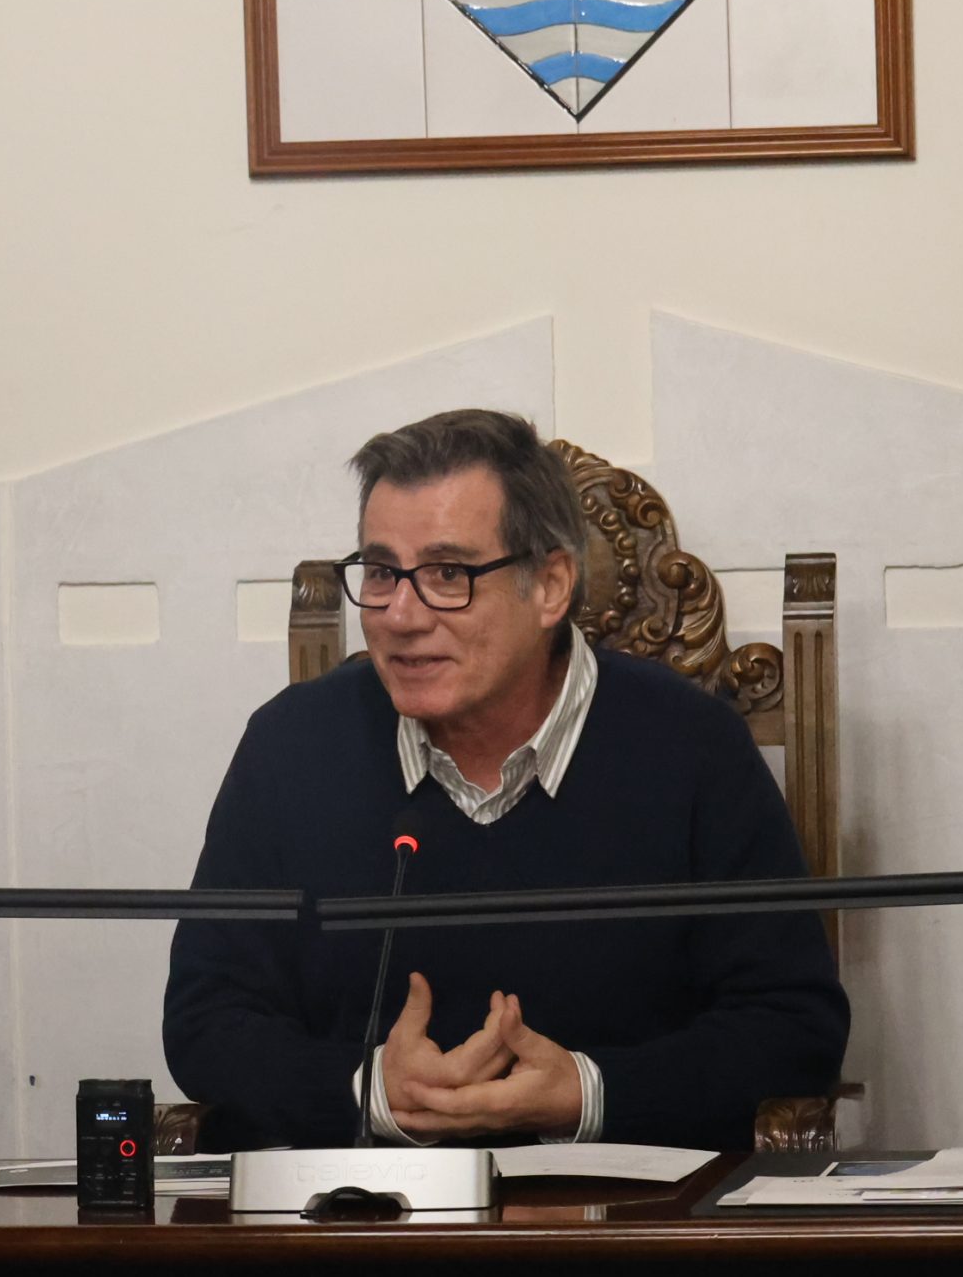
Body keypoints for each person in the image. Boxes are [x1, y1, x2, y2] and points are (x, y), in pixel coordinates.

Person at [164, 409, 848, 1152]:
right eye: (383, 572)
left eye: (447, 574)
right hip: (364, 1208)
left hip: (626, 1211)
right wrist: (369, 1092)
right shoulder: (291, 745)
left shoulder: (694, 747)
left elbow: (794, 1025)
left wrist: (589, 1092)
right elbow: (207, 1019)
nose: (400, 615)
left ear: (550, 585)